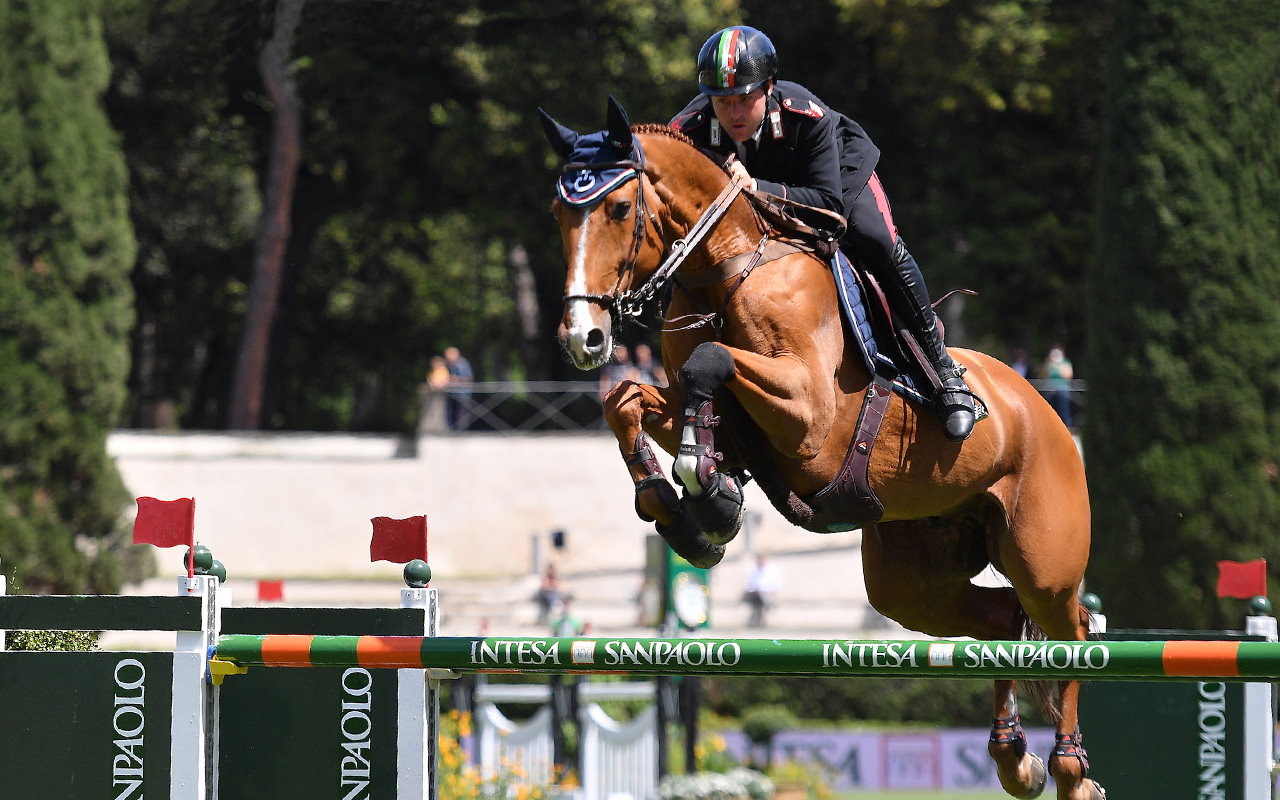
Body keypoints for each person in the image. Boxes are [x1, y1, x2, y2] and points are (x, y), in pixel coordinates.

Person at [670, 26, 978, 442]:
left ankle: (944, 373)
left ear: (769, 87)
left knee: (876, 241)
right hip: (758, 195)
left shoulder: (804, 114)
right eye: (723, 102)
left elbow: (828, 206)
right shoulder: (688, 128)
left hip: (835, 180)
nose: (735, 113)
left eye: (746, 98)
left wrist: (756, 187)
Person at [743, 552, 782, 627]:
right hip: (754, 593)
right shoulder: (752, 569)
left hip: (767, 593)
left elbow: (776, 584)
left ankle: (761, 618)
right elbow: (747, 583)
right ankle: (755, 619)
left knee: (763, 597)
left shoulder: (772, 569)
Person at [1041, 345, 1074, 426]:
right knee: (1051, 409)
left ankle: (1066, 427)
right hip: (1051, 389)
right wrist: (1049, 363)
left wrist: (1058, 366)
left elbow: (1068, 375)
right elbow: (1044, 374)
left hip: (1062, 389)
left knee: (1064, 410)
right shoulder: (1049, 363)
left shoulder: (1066, 362)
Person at [443, 346, 473, 430]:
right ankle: (451, 432)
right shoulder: (448, 365)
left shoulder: (464, 364)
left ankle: (461, 433)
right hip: (451, 394)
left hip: (463, 394)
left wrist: (455, 379)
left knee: (462, 415)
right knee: (450, 413)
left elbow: (468, 378)